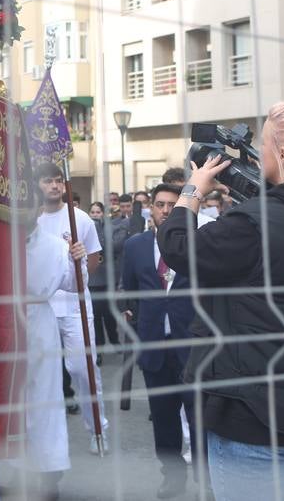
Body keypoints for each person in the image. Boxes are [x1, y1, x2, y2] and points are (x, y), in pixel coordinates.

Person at [158, 100, 284, 501]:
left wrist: (192, 191)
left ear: (282, 153)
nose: (258, 155)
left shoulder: (253, 224)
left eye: (262, 147)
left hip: (255, 414)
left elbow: (178, 247)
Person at [120, 184, 197, 498]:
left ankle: (207, 481)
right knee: (164, 419)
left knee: (199, 416)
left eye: (171, 205)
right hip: (154, 345)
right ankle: (172, 476)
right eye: (160, 204)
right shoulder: (135, 245)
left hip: (191, 346)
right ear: (150, 208)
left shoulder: (196, 243)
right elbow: (131, 290)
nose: (166, 210)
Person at [34, 161, 107, 449]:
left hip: (75, 306)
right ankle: (47, 440)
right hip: (44, 306)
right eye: (47, 181)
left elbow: (93, 260)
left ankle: (97, 429)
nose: (53, 186)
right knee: (44, 374)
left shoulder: (80, 219)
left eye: (57, 180)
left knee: (81, 368)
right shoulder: (33, 219)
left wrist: (76, 271)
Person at [22, 188, 83, 499]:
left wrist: (76, 260)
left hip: (40, 324)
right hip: (5, 321)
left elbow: (74, 285)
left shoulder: (55, 245)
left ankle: (49, 471)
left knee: (44, 399)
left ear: (38, 207)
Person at [87, 201, 119, 354]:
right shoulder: (84, 229)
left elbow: (109, 248)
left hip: (107, 279)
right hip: (92, 280)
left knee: (110, 315)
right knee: (95, 318)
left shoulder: (110, 228)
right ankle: (98, 349)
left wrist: (98, 229)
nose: (95, 215)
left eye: (98, 212)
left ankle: (115, 340)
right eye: (92, 212)